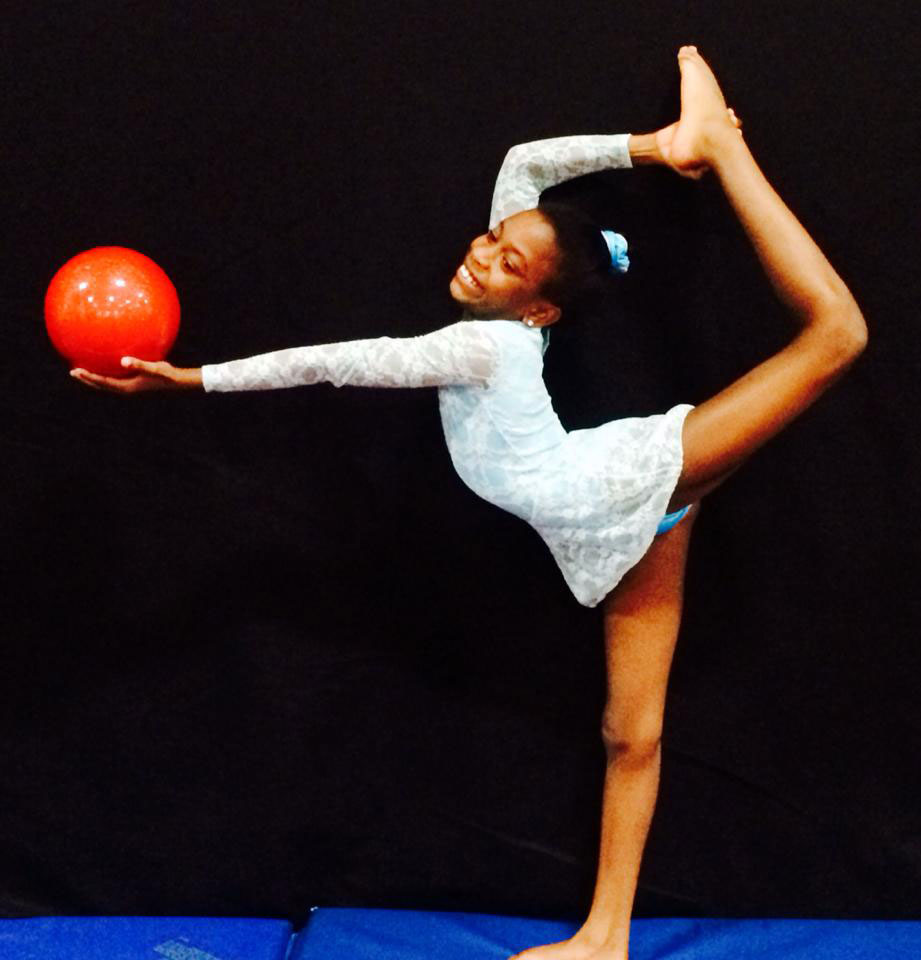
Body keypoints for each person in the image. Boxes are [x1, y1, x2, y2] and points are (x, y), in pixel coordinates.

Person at [71, 47, 866, 960]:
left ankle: (728, 159)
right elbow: (524, 167)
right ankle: (604, 939)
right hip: (622, 530)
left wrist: (192, 382)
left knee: (837, 335)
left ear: (540, 311)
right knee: (628, 731)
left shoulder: (483, 348)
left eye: (507, 260)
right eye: (492, 242)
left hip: (633, 480)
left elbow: (335, 361)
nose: (483, 254)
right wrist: (647, 147)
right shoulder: (505, 309)